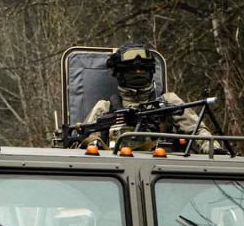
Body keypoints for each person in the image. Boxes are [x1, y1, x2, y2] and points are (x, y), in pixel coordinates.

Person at [81, 42, 215, 153]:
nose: (138, 73)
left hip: (164, 170)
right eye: (132, 70)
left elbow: (197, 131)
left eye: (143, 69)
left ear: (150, 72)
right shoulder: (105, 107)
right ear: (120, 74)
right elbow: (88, 144)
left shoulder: (168, 101)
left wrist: (213, 149)